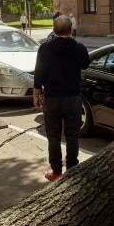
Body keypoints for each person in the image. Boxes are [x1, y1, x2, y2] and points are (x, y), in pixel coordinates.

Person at [33, 15, 90, 181]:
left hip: (51, 99)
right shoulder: (79, 48)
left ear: (53, 31)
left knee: (53, 135)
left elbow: (39, 73)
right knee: (72, 135)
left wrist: (36, 94)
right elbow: (85, 64)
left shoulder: (44, 49)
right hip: (72, 98)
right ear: (71, 30)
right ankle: (72, 170)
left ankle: (56, 171)